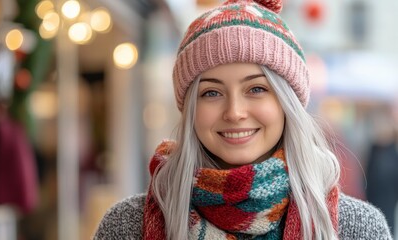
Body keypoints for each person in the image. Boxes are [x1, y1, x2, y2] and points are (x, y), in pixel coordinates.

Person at [94, 0, 392, 239]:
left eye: (257, 89)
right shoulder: (128, 227)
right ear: (189, 110)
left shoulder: (357, 229)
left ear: (287, 103)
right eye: (211, 93)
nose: (235, 112)